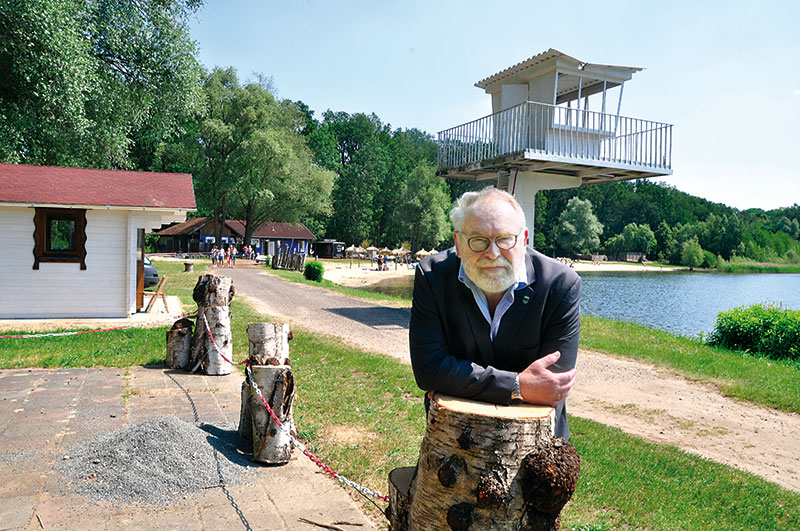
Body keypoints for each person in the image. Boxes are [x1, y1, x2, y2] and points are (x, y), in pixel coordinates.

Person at [409, 187, 581, 440]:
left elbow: (551, 384)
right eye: (478, 240)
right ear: (458, 243)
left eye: (504, 239)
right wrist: (517, 386)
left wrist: (457, 379)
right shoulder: (432, 276)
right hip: (454, 438)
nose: (492, 252)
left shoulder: (560, 285)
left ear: (524, 240)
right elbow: (428, 370)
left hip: (536, 444)